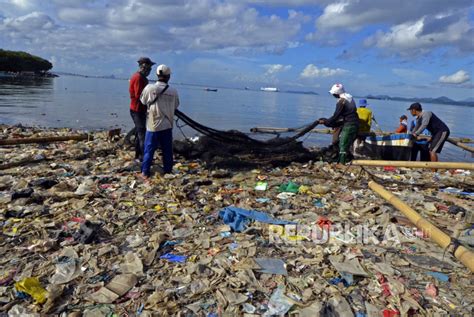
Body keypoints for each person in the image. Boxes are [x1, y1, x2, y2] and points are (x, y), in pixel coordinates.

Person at [140, 64, 180, 179]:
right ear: (168, 77)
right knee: (167, 150)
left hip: (153, 125)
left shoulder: (149, 88)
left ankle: (145, 172)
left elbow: (143, 101)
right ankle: (168, 171)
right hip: (167, 125)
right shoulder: (173, 91)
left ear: (157, 75)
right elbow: (176, 105)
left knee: (149, 150)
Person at [319, 83, 359, 164]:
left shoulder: (341, 101)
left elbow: (336, 116)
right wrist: (329, 122)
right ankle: (344, 160)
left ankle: (342, 163)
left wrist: (326, 122)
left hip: (349, 124)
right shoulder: (349, 97)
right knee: (344, 144)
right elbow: (343, 114)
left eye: (334, 94)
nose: (333, 95)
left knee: (343, 145)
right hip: (355, 123)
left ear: (337, 94)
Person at [129, 57, 155, 161]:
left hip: (141, 109)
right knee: (142, 133)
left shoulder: (143, 78)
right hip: (137, 110)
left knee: (140, 132)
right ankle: (144, 157)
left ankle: (138, 155)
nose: (150, 71)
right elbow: (139, 95)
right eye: (149, 68)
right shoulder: (138, 78)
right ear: (144, 67)